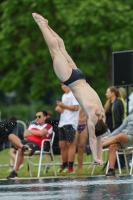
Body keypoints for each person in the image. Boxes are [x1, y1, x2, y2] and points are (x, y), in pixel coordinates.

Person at [32, 13, 107, 164]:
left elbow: (99, 137)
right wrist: (95, 157)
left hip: (80, 76)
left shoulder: (102, 114)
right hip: (71, 80)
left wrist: (99, 157)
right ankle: (41, 24)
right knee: (54, 51)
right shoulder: (92, 116)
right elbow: (94, 138)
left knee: (61, 46)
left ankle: (47, 25)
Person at [7, 110, 53, 179]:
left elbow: (42, 133)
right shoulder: (31, 125)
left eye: (39, 116)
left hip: (37, 144)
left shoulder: (48, 126)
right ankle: (23, 147)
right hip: (26, 142)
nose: (37, 118)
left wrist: (30, 132)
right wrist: (36, 133)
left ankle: (14, 172)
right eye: (36, 117)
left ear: (45, 117)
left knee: (20, 150)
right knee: (11, 135)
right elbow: (25, 134)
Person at [55, 82, 79, 173]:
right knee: (62, 145)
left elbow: (76, 108)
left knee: (70, 144)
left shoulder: (74, 94)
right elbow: (62, 109)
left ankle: (70, 166)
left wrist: (63, 106)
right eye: (62, 85)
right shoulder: (64, 96)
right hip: (62, 122)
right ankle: (64, 165)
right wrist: (59, 108)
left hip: (70, 122)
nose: (64, 86)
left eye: (65, 84)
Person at [104, 86, 127, 169]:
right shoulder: (108, 103)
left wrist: (123, 127)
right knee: (112, 145)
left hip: (119, 127)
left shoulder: (120, 101)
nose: (106, 94)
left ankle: (121, 164)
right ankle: (113, 163)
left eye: (107, 92)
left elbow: (123, 114)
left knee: (117, 145)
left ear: (113, 93)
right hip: (111, 128)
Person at [76, 106, 88, 172]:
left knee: (81, 147)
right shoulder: (73, 100)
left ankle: (80, 168)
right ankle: (71, 167)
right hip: (75, 124)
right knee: (73, 146)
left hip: (84, 124)